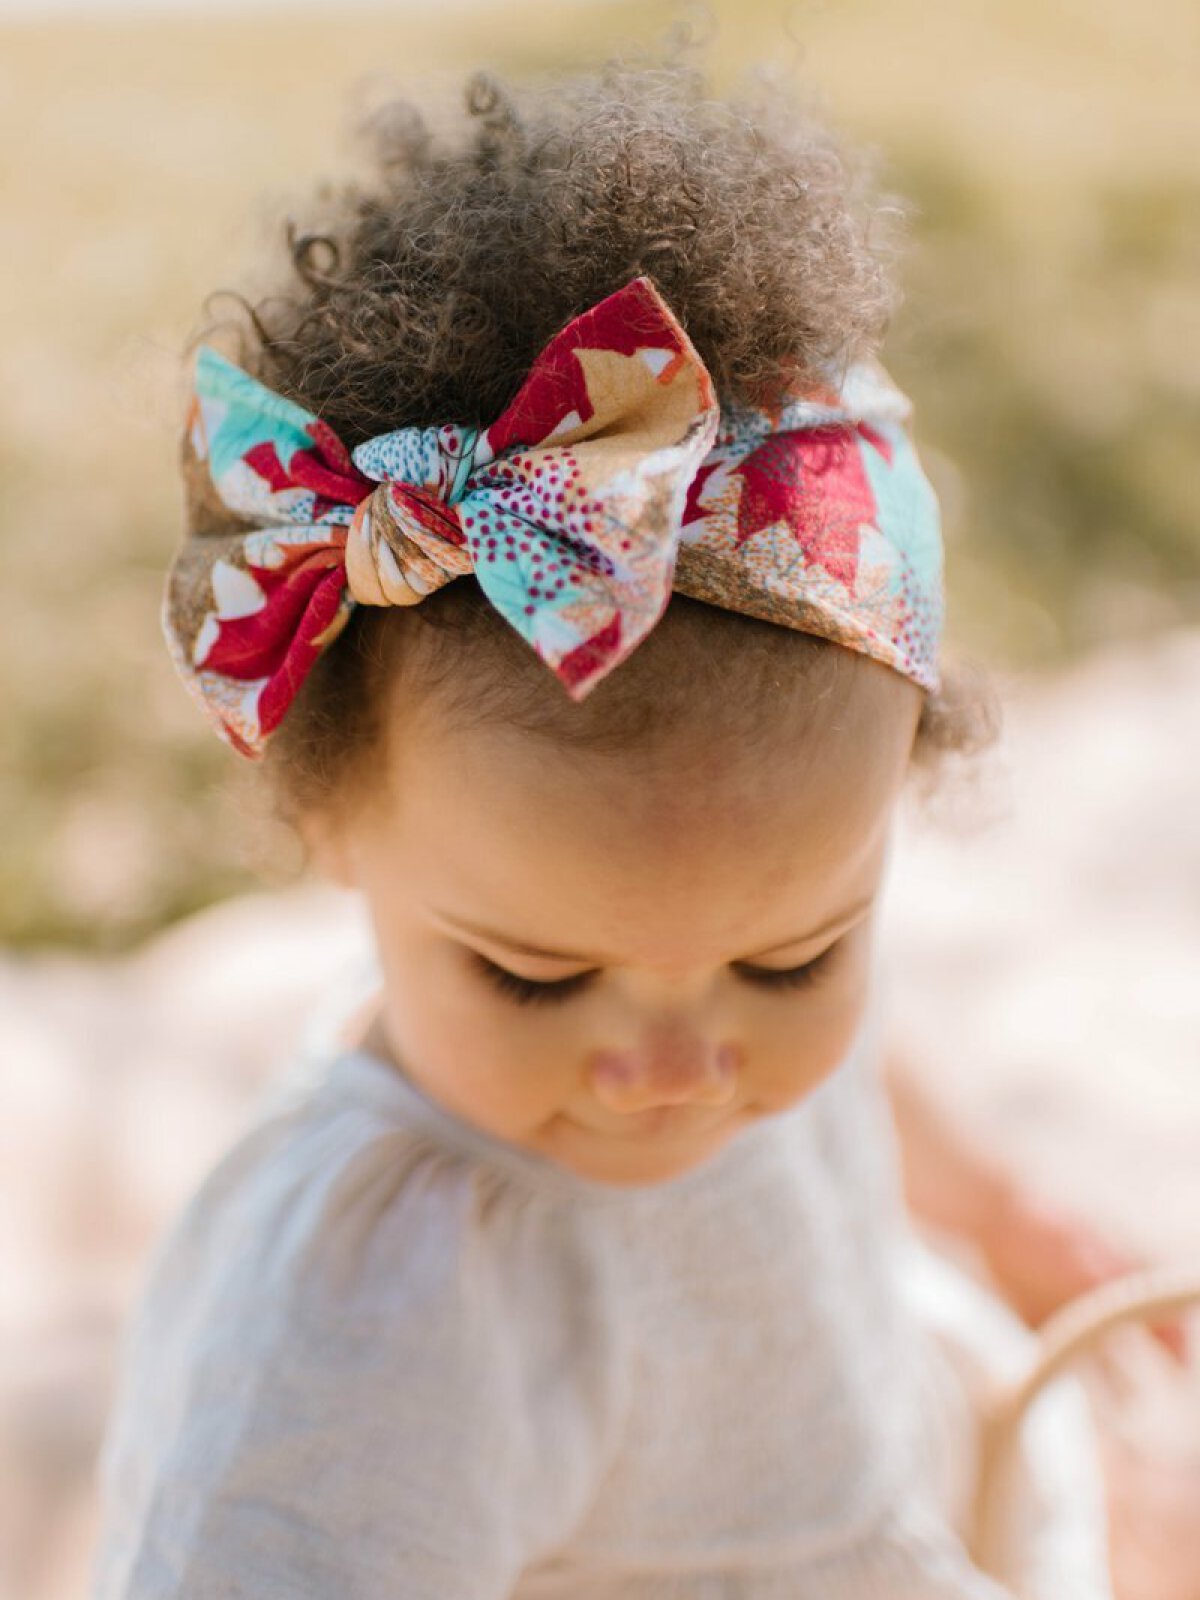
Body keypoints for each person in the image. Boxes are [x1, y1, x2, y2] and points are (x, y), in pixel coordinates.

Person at [88, 51, 1174, 1599]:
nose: (678, 1069)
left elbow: (869, 1080)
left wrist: (1001, 1207)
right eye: (536, 977)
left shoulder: (709, 927)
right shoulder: (371, 1335)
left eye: (798, 962)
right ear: (330, 823)